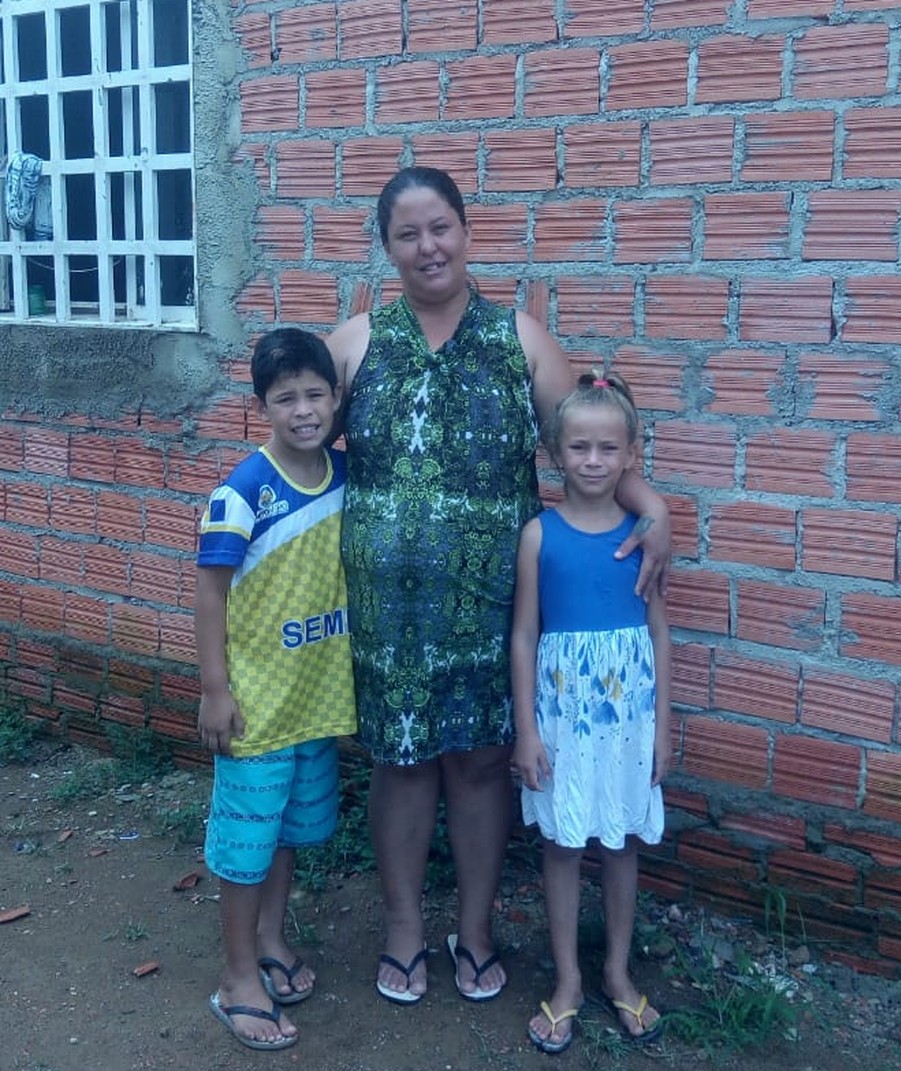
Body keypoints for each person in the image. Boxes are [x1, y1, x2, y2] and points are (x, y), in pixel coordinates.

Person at [326, 166, 671, 1005]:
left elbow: (588, 440)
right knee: (402, 765)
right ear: (387, 247)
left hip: (494, 607)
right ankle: (406, 930)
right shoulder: (356, 342)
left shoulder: (518, 338)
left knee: (482, 767)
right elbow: (299, 441)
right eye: (407, 234)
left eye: (440, 226)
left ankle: (474, 931)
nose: (427, 246)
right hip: (390, 612)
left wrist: (653, 507)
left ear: (467, 231)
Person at [195, 328, 355, 1050]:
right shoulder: (241, 492)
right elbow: (209, 595)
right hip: (256, 703)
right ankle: (236, 978)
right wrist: (214, 688)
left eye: (315, 394)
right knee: (246, 841)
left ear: (336, 398)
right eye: (285, 397)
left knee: (286, 831)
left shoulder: (347, 477)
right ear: (262, 404)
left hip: (314, 700)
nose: (302, 409)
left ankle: (269, 938)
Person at [511, 371, 671, 1054]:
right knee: (564, 844)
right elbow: (523, 635)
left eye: (608, 448)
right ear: (554, 452)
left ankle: (615, 968)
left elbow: (659, 629)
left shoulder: (644, 534)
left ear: (631, 453)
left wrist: (667, 721)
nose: (594, 461)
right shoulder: (538, 536)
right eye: (579, 447)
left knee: (622, 841)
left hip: (629, 717)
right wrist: (526, 729)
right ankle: (569, 978)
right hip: (564, 717)